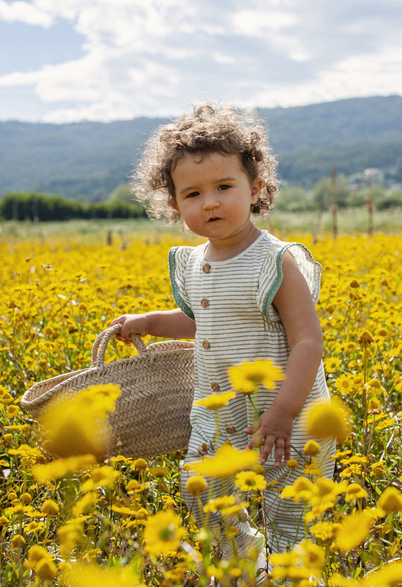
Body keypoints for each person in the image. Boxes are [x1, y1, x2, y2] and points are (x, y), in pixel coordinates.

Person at [110, 103, 334, 568]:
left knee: (288, 508)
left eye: (224, 187)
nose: (209, 202)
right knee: (201, 493)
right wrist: (150, 322)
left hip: (287, 414)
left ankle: (289, 573)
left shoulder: (277, 262)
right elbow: (204, 321)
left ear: (256, 189)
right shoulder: (194, 263)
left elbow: (309, 342)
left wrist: (283, 411)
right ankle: (248, 565)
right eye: (192, 194)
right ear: (174, 206)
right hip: (217, 409)